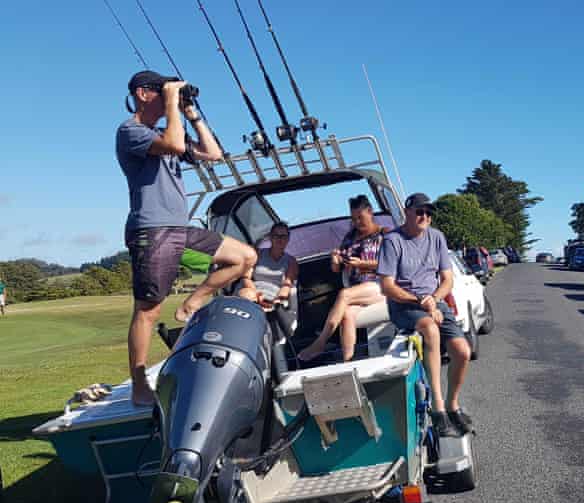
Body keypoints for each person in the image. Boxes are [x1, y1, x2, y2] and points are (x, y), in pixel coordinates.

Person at [117, 70, 257, 405]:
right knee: (148, 310)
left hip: (178, 228)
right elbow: (175, 144)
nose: (170, 96)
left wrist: (191, 113)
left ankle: (192, 304)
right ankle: (139, 386)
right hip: (152, 229)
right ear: (142, 94)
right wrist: (172, 105)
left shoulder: (168, 130)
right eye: (161, 89)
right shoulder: (131, 131)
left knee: (245, 257)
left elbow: (213, 153)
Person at [377, 193, 473, 437]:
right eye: (420, 212)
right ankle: (437, 410)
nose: (425, 217)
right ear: (407, 213)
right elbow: (387, 287)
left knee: (463, 351)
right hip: (404, 305)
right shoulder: (392, 240)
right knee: (430, 329)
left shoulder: (437, 237)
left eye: (429, 213)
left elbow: (447, 279)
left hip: (434, 301)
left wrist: (435, 300)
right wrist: (421, 301)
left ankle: (453, 405)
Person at [298, 195, 387, 362]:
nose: (357, 222)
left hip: (381, 286)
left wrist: (363, 264)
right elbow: (336, 269)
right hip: (358, 291)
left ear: (370, 212)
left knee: (344, 294)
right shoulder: (350, 237)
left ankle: (321, 342)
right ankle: (348, 362)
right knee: (346, 315)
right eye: (353, 219)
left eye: (360, 218)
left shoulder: (385, 235)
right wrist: (335, 260)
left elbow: (391, 263)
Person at [238, 222, 299, 374]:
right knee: (245, 295)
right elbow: (246, 277)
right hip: (253, 292)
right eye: (276, 236)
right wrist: (256, 295)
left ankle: (274, 365)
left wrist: (277, 300)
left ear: (288, 239)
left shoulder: (291, 261)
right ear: (270, 238)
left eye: (284, 236)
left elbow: (287, 285)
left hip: (274, 297)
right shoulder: (257, 254)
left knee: (273, 314)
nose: (280, 239)